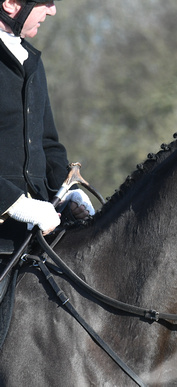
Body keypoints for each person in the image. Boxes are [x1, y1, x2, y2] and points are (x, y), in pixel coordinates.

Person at [0, 0, 94, 344]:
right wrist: (15, 203)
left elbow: (46, 142)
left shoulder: (31, 60)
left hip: (35, 236)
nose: (52, 11)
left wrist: (67, 189)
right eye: (46, 2)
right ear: (11, 3)